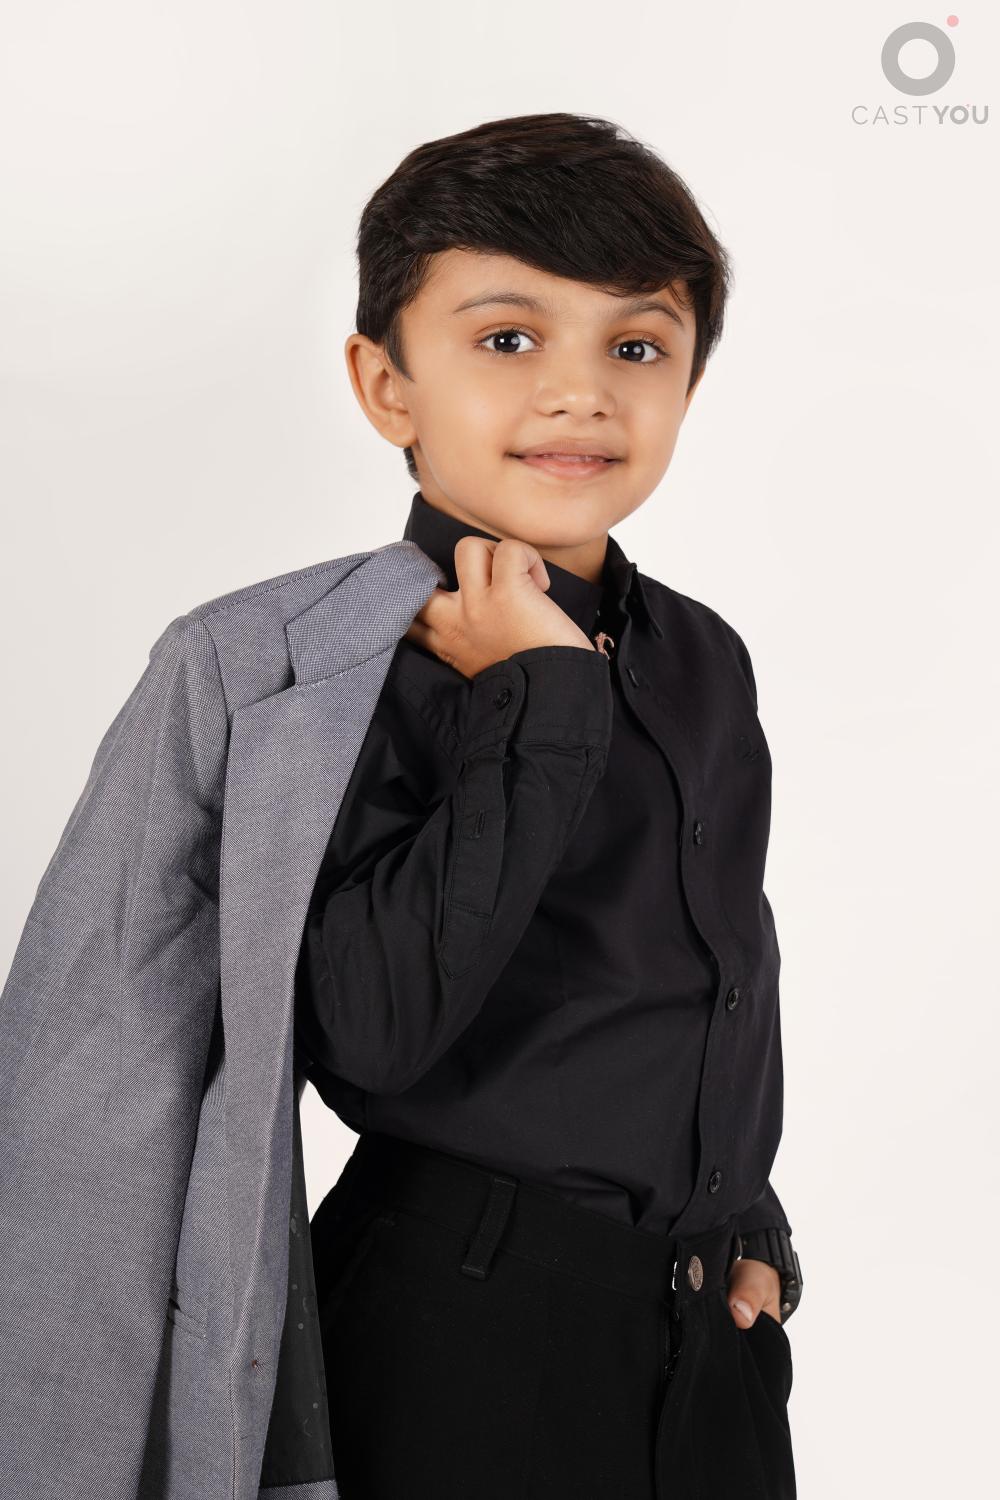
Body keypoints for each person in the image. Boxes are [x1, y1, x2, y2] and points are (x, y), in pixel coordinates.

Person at [292, 110, 802, 1500]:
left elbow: (709, 967)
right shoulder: (339, 662)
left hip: (705, 1329)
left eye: (636, 347)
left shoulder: (699, 654)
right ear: (387, 385)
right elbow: (366, 1038)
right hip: (462, 1327)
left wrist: (748, 1213)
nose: (580, 395)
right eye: (509, 338)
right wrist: (544, 699)